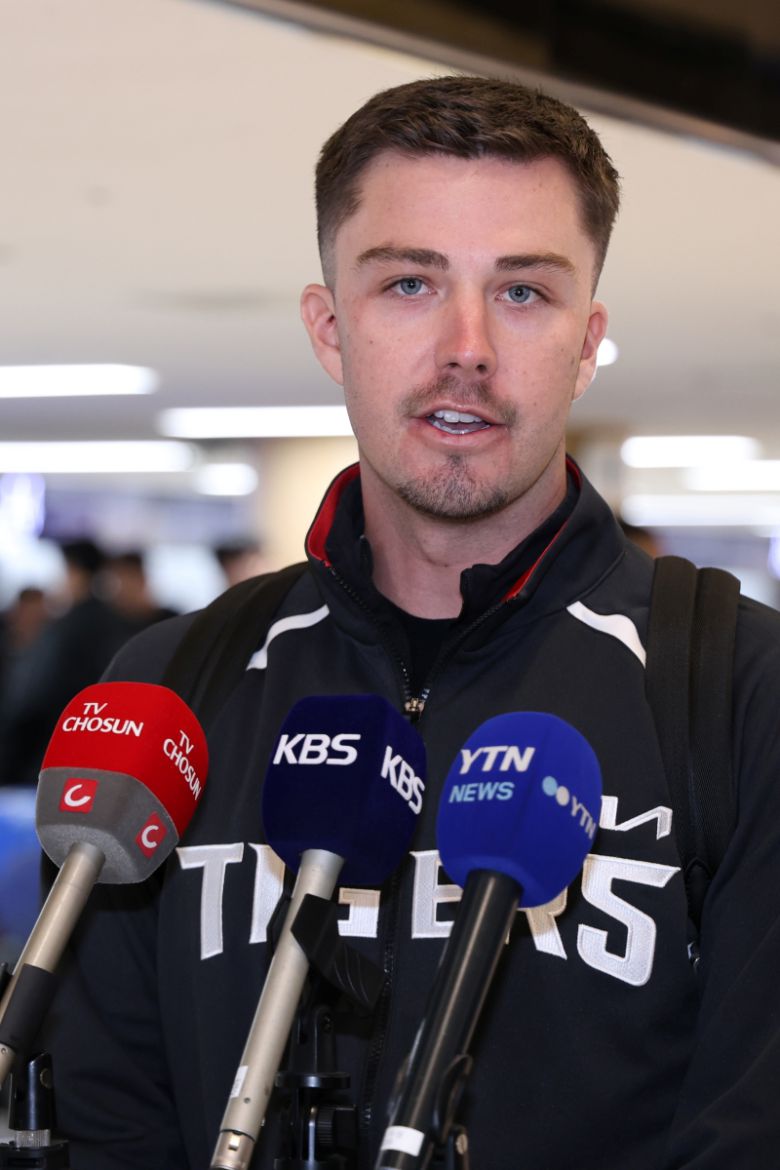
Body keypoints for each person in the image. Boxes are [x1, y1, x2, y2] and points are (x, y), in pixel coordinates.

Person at [42, 76, 780, 1169]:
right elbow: (100, 1123)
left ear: (587, 342)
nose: (467, 346)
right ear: (330, 327)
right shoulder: (171, 690)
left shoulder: (739, 690)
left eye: (523, 291)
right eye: (408, 284)